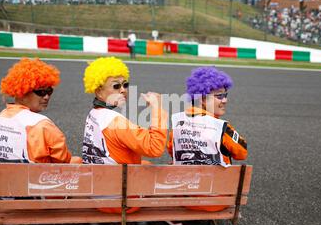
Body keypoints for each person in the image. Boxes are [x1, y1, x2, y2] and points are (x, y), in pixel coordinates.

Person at [82, 56, 167, 214]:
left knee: (144, 165)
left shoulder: (93, 114)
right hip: (120, 201)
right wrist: (157, 108)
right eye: (116, 86)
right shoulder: (116, 122)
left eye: (125, 84)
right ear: (98, 90)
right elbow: (155, 149)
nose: (123, 90)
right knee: (151, 169)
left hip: (96, 193)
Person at [167, 66, 248, 211]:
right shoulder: (222, 128)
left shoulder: (177, 123)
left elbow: (171, 151)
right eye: (219, 96)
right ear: (202, 100)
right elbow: (242, 153)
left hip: (184, 196)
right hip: (216, 201)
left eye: (226, 95)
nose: (225, 100)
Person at [0, 57, 81, 164]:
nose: (46, 97)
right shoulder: (42, 125)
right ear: (22, 92)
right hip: (34, 180)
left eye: (49, 91)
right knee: (77, 161)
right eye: (41, 92)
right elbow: (64, 161)